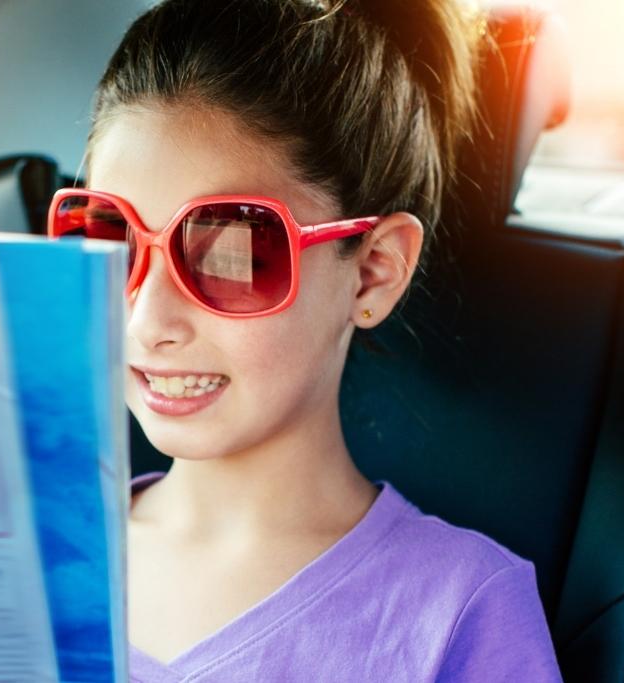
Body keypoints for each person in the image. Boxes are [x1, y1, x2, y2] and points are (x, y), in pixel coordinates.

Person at [48, 0, 563, 679]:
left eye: (229, 254)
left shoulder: (461, 612)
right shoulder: (34, 548)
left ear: (374, 272)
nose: (148, 319)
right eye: (110, 239)